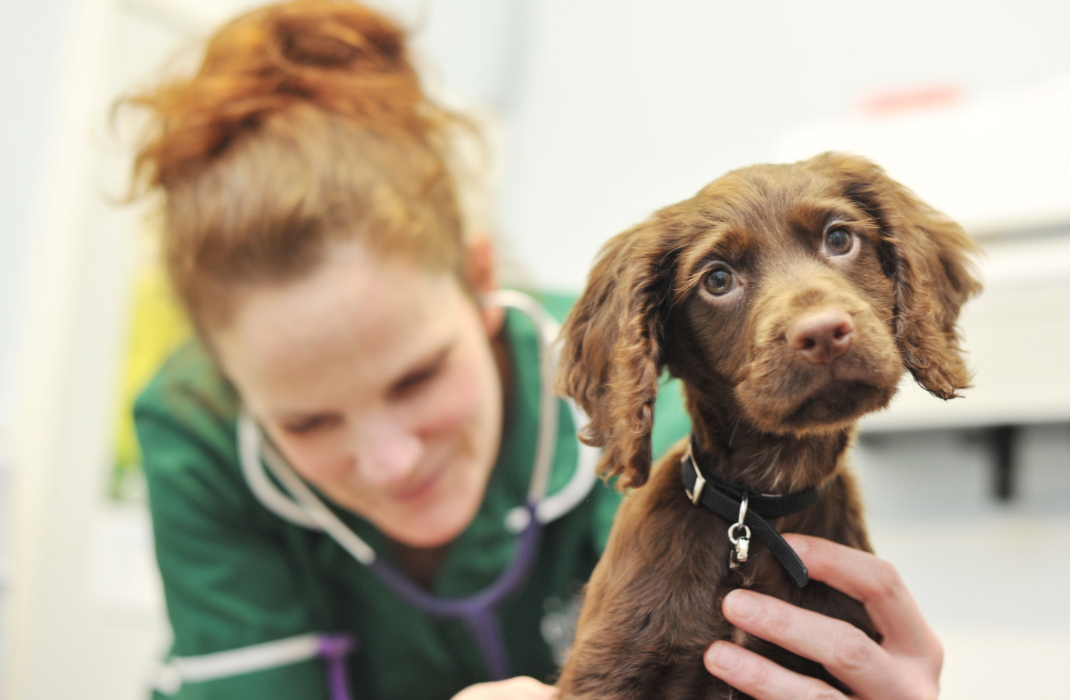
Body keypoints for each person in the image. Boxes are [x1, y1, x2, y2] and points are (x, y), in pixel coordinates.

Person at [127, 2, 943, 699]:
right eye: (306, 422)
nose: (389, 460)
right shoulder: (194, 433)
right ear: (229, 384)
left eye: (417, 378)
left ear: (481, 283)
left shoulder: (666, 414)